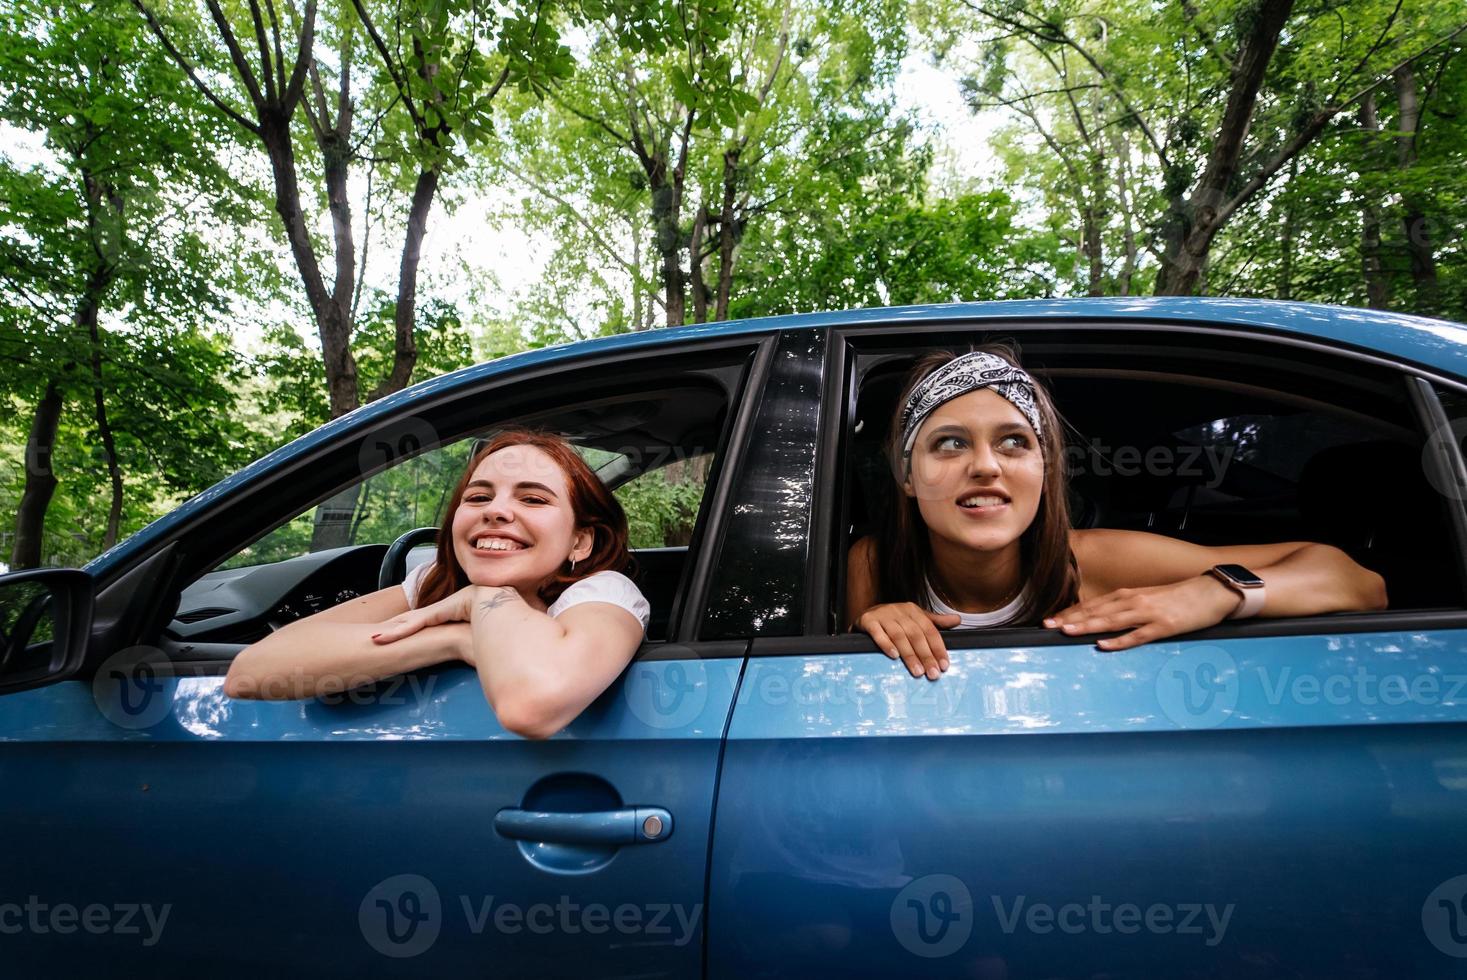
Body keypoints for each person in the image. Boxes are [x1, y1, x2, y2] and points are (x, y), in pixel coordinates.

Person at [846, 347, 1389, 681]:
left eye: (1014, 442)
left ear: (1044, 470)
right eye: (948, 444)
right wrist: (871, 624)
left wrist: (1215, 593)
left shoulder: (1102, 561)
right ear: (907, 476)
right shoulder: (874, 563)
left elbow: (1358, 583)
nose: (986, 466)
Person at [224, 429, 651, 738]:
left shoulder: (603, 593)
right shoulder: (436, 584)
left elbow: (531, 706)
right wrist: (455, 639)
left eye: (533, 499)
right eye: (479, 497)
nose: (496, 511)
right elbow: (248, 673)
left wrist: (487, 597)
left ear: (580, 540)